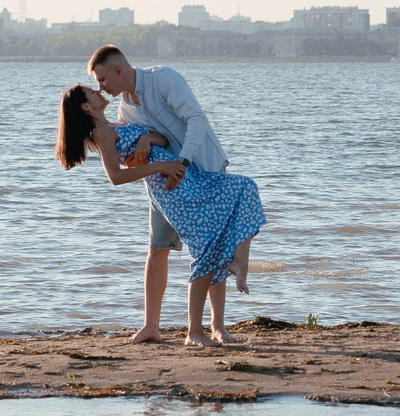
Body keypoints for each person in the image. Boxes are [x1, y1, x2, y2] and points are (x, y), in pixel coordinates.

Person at [57, 82, 265, 348]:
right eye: (92, 92)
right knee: (207, 250)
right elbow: (116, 176)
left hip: (184, 178)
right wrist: (161, 165)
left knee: (244, 187)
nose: (99, 92)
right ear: (86, 106)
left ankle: (238, 260)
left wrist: (145, 138)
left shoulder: (117, 125)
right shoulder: (102, 133)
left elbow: (163, 139)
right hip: (171, 190)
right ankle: (194, 332)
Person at [87, 45, 231, 343]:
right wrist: (143, 140)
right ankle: (151, 326)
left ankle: (217, 326)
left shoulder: (163, 79)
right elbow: (151, 141)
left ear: (118, 70)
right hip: (165, 185)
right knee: (157, 248)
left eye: (102, 79)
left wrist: (183, 162)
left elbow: (197, 120)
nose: (100, 87)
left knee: (213, 248)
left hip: (204, 168)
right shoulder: (124, 109)